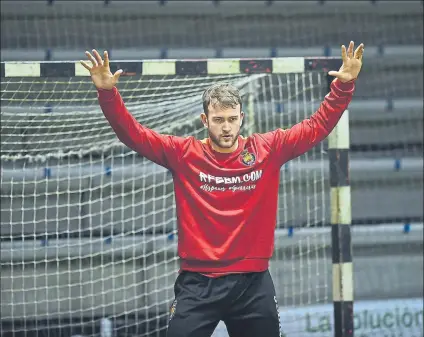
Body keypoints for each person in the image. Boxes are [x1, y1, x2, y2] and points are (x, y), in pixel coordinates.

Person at [80, 41, 364, 337]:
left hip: (253, 283)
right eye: (218, 120)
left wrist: (343, 87)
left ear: (241, 118)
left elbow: (316, 126)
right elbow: (133, 134)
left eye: (231, 119)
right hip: (198, 283)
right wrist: (107, 93)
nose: (226, 127)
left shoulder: (267, 149)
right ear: (205, 120)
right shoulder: (183, 153)